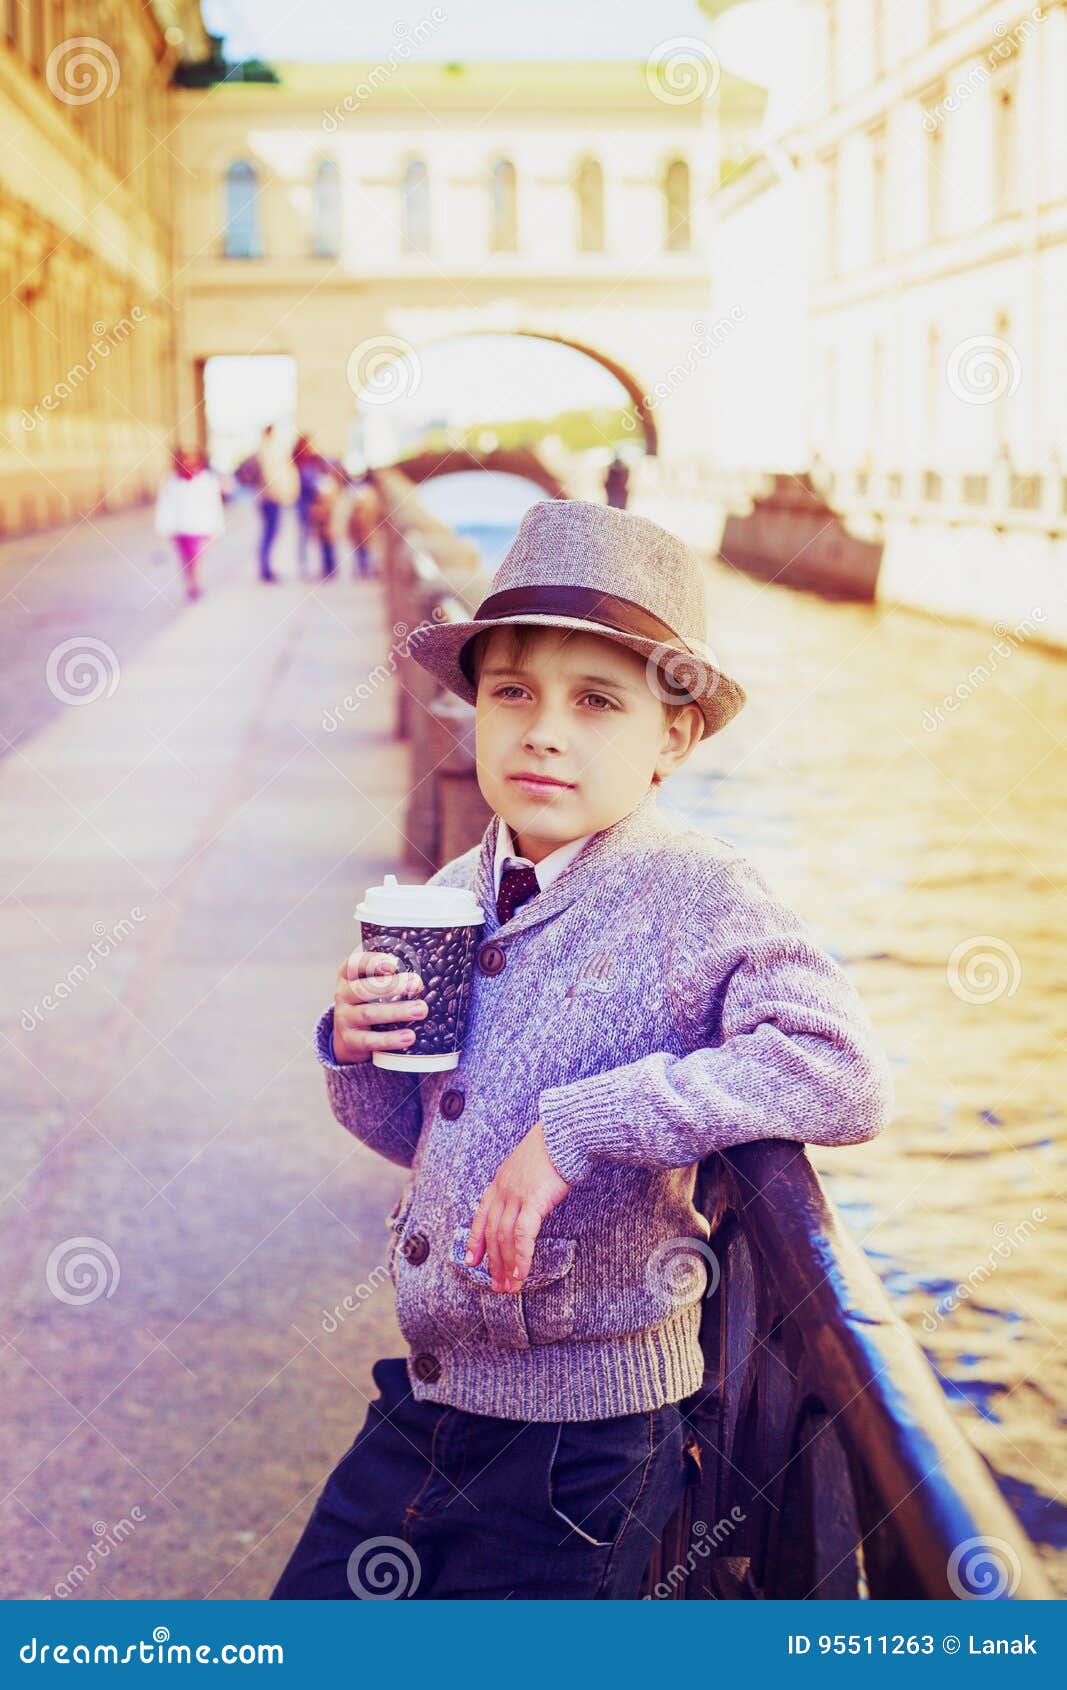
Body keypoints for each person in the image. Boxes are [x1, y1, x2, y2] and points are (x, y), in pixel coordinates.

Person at [271, 499, 893, 1601]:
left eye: (594, 700)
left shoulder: (691, 891)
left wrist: (579, 1128)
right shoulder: (466, 884)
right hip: (430, 1398)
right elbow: (408, 1134)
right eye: (511, 692)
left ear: (672, 735)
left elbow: (838, 1068)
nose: (541, 730)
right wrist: (358, 1048)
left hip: (584, 1445)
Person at [153, 447, 224, 602]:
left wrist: (217, 526)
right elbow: (166, 506)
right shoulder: (171, 482)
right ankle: (190, 582)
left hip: (200, 528)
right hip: (181, 528)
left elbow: (214, 505)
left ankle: (196, 583)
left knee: (197, 557)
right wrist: (163, 527)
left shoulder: (207, 481)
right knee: (185, 560)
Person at [255, 424, 298, 582]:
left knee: (270, 533)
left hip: (271, 497)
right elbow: (272, 476)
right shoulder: (268, 450)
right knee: (270, 533)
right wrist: (281, 494)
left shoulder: (269, 449)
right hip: (271, 498)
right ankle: (266, 569)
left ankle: (267, 568)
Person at [292, 434, 320, 579]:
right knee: (304, 535)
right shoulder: (301, 462)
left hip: (312, 503)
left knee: (312, 535)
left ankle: (311, 565)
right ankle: (304, 566)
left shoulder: (314, 460)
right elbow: (307, 483)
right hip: (304, 503)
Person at [346, 476, 379, 578]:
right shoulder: (355, 512)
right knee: (361, 552)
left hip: (365, 534)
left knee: (366, 552)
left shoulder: (367, 499)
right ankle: (363, 570)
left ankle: (365, 569)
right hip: (360, 535)